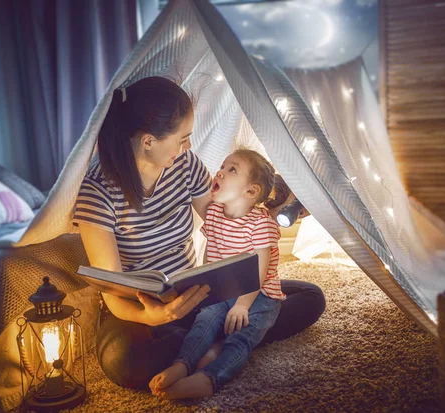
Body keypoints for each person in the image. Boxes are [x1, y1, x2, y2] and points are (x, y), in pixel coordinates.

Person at [72, 76, 326, 389]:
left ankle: (206, 344)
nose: (188, 146)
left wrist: (264, 212)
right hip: (139, 309)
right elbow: (111, 290)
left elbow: (223, 219)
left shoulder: (184, 165)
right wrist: (155, 317)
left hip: (198, 293)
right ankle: (222, 343)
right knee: (122, 362)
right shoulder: (96, 193)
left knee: (310, 296)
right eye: (182, 138)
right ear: (148, 141)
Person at [149, 149, 289, 399]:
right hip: (224, 290)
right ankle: (182, 365)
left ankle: (209, 378)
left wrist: (242, 306)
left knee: (242, 337)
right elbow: (210, 256)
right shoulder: (214, 214)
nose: (221, 171)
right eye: (223, 166)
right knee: (204, 321)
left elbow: (259, 272)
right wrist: (205, 288)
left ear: (251, 191)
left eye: (232, 169)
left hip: (259, 296)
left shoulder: (261, 224)